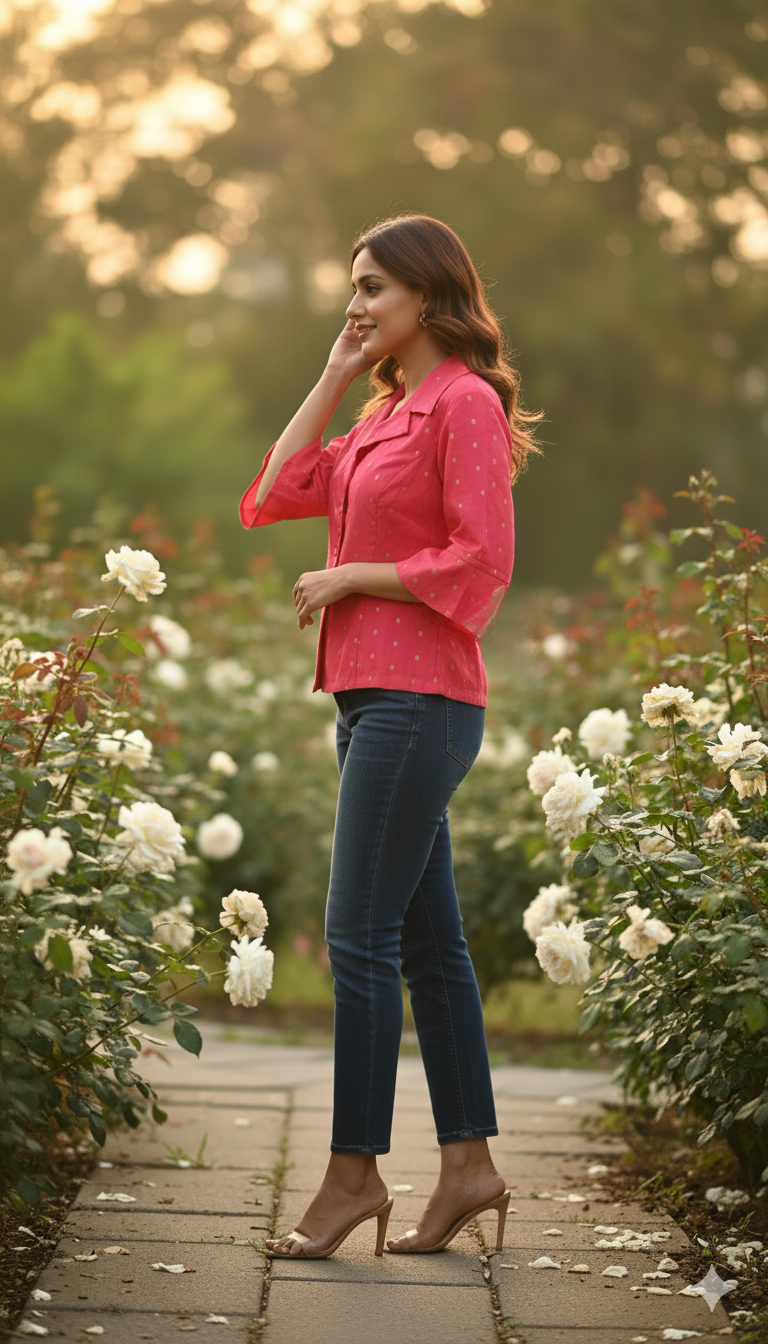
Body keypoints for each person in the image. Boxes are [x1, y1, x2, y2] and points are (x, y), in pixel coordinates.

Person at [238, 212, 540, 1259]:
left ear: (428, 290)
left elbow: (481, 563)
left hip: (422, 703)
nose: (356, 303)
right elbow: (272, 494)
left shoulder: (463, 406)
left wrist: (354, 576)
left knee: (356, 941)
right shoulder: (387, 414)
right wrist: (331, 378)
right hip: (373, 700)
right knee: (427, 945)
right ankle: (469, 1169)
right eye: (350, 287)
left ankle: (352, 1176)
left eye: (373, 286)